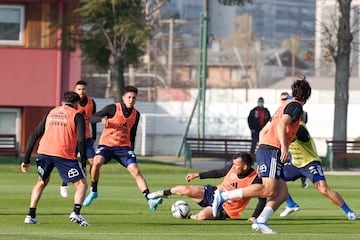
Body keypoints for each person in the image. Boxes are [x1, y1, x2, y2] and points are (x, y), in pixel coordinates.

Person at [212, 77, 312, 234]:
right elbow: (282, 124)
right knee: (268, 190)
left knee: (282, 194)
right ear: (307, 95)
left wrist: (264, 147)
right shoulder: (296, 107)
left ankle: (261, 220)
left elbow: (264, 131)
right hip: (272, 150)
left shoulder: (283, 106)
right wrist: (283, 147)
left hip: (268, 149)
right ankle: (224, 195)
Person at [83, 85, 163, 210]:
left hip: (124, 148)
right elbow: (92, 118)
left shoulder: (136, 114)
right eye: (129, 97)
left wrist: (132, 149)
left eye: (134, 98)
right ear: (123, 97)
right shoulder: (112, 108)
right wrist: (102, 118)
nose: (131, 100)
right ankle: (93, 190)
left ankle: (150, 199)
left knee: (136, 171)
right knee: (96, 162)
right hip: (107, 146)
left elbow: (133, 133)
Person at [21, 91, 89, 226]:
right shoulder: (77, 115)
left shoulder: (51, 113)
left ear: (63, 102)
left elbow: (34, 135)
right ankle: (76, 213)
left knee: (41, 182)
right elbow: (81, 140)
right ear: (76, 104)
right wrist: (83, 161)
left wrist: (26, 159)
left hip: (44, 152)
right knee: (81, 184)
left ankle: (30, 215)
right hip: (63, 154)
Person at [279, 113, 357, 220]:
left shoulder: (300, 127)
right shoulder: (287, 126)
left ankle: (349, 212)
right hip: (295, 164)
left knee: (323, 189)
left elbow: (290, 138)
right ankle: (291, 204)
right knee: (274, 177)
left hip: (310, 163)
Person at [148, 152, 266, 221]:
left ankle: (188, 215)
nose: (233, 167)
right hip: (213, 193)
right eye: (233, 164)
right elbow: (218, 173)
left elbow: (262, 198)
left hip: (226, 208)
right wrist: (197, 175)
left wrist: (254, 216)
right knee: (185, 189)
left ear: (245, 167)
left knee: (202, 216)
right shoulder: (233, 167)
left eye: (236, 165)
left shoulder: (255, 179)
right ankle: (160, 193)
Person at [60, 80, 97, 198]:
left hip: (87, 138)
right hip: (74, 138)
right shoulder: (72, 104)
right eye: (79, 89)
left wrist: (94, 135)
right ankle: (64, 183)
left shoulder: (91, 102)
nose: (82, 91)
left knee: (93, 162)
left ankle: (93, 186)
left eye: (84, 89)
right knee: (70, 160)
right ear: (75, 90)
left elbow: (93, 119)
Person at [281, 91, 309, 189]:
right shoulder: (280, 111)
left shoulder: (296, 109)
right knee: (276, 177)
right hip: (288, 139)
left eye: (285, 99)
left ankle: (304, 173)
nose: (283, 101)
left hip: (294, 137)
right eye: (282, 99)